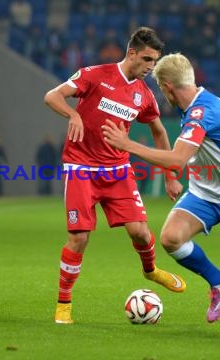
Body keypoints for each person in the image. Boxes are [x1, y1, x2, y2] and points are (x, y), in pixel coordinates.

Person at [102, 53, 220, 339]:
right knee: (171, 238)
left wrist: (127, 144)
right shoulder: (201, 100)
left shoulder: (201, 112)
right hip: (204, 192)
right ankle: (219, 282)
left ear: (167, 88)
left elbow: (176, 161)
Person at [44, 27, 186, 325]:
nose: (151, 66)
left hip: (118, 171)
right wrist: (73, 114)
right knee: (79, 238)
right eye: (147, 59)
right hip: (81, 167)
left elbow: (159, 132)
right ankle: (64, 303)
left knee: (142, 233)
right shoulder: (94, 75)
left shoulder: (144, 94)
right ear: (131, 52)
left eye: (155, 61)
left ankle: (150, 270)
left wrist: (171, 175)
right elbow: (52, 96)